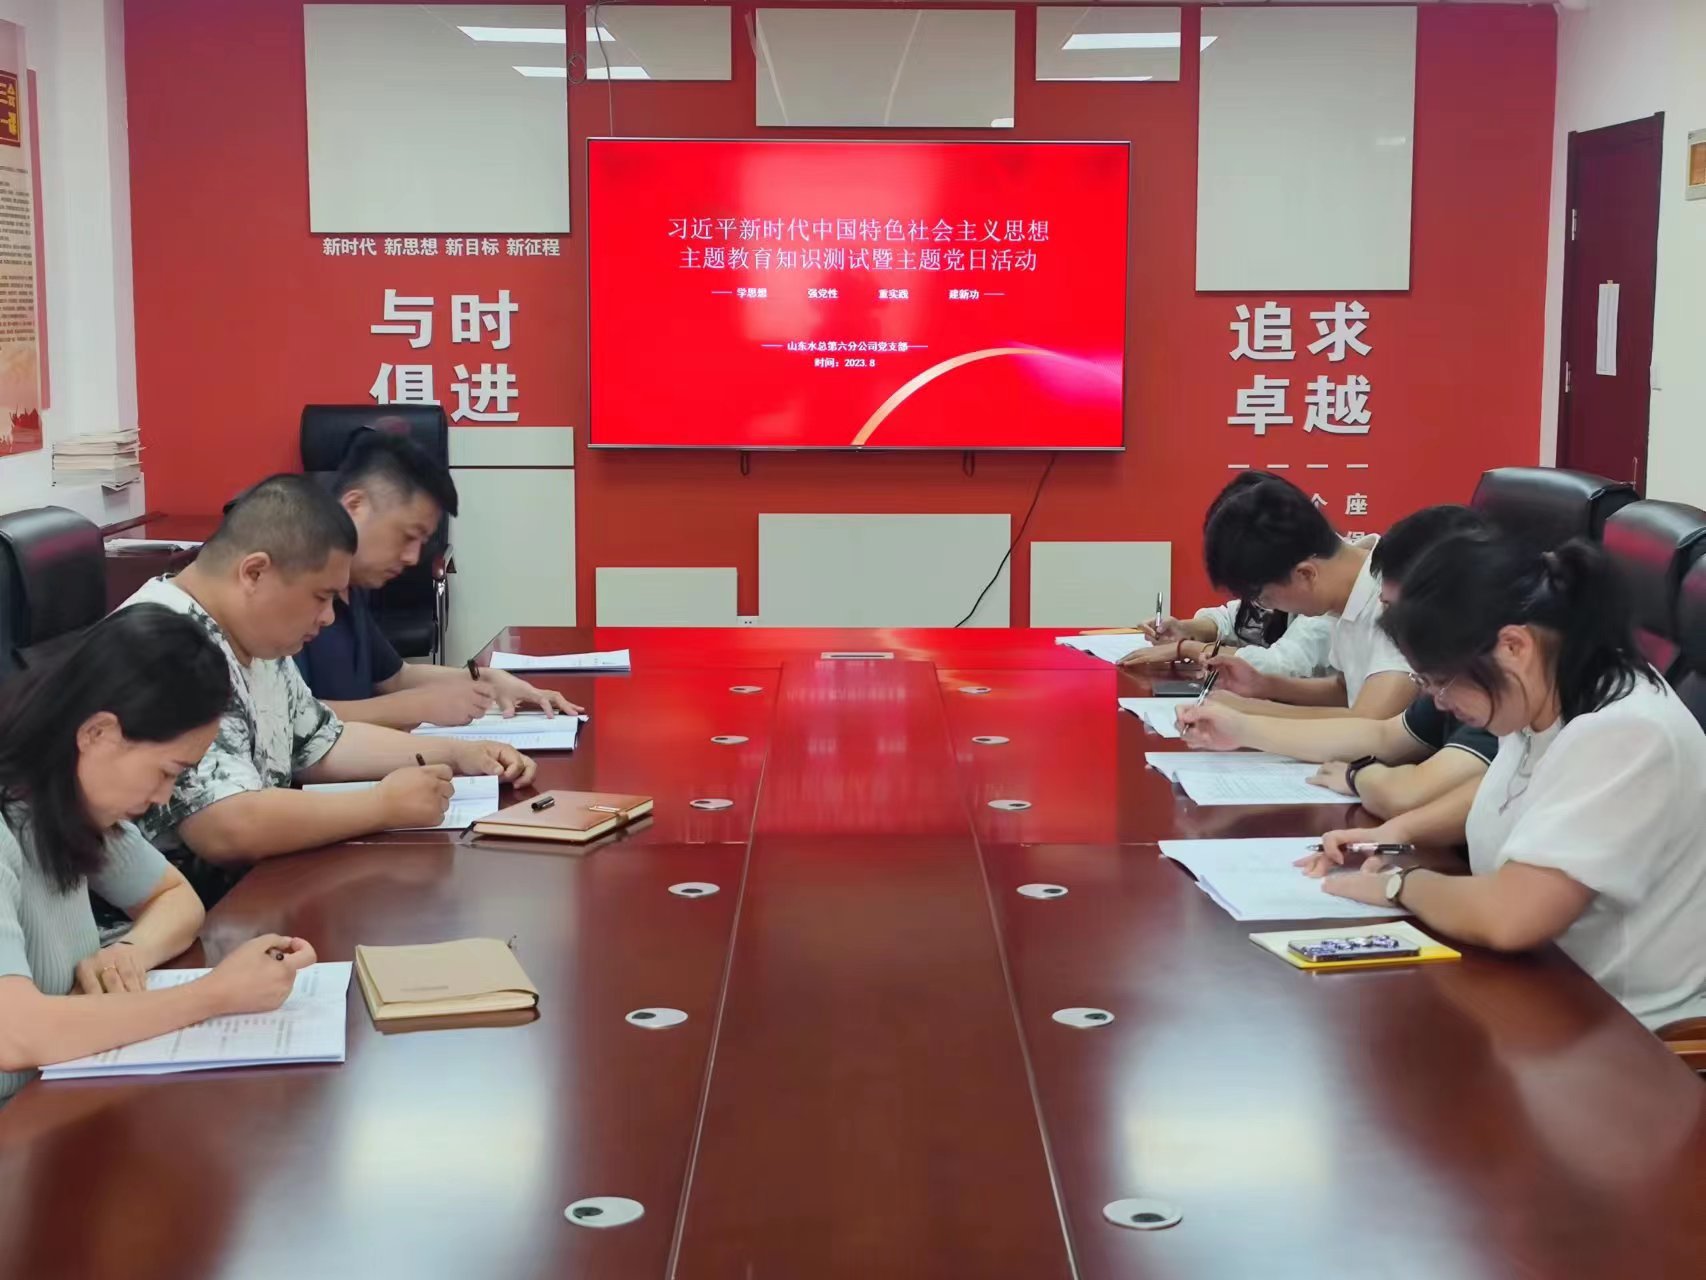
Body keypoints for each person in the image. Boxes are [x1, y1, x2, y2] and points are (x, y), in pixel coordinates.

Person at [1308, 533, 1706, 1032]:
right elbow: (1523, 799)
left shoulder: (1627, 733)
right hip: (1533, 989)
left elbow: (1510, 915)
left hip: (1620, 1030)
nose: (1438, 701)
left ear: (1514, 646)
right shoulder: (1547, 695)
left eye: (1442, 681)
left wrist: (1399, 884)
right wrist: (1395, 835)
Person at [121, 474, 537, 905]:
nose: (328, 618)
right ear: (254, 572)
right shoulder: (164, 645)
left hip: (257, 894)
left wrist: (457, 754)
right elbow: (226, 827)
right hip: (181, 918)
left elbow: (322, 742)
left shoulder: (251, 634)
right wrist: (381, 806)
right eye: (320, 597)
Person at [0, 606, 319, 1106]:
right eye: (166, 772)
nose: (164, 797)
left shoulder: (66, 803)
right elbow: (16, 1033)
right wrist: (214, 995)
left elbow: (174, 896)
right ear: (98, 734)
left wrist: (130, 953)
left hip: (53, 1098)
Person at [1177, 505, 1494, 819]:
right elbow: (1380, 734)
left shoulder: (1495, 699)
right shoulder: (1456, 679)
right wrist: (1242, 725)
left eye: (1393, 610)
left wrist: (1359, 776)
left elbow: (1398, 779)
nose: (1389, 622)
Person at [295, 431, 581, 729]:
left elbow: (395, 677)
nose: (412, 557)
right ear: (355, 506)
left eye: (422, 542)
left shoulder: (354, 584)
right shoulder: (293, 585)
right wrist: (417, 706)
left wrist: (490, 681)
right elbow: (292, 719)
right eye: (408, 536)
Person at [1197, 471, 1414, 720]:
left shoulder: (1391, 599)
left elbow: (1369, 725)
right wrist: (1264, 685)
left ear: (1305, 574)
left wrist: (1246, 714)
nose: (1267, 607)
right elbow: (1345, 690)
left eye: (1264, 597)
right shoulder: (1346, 596)